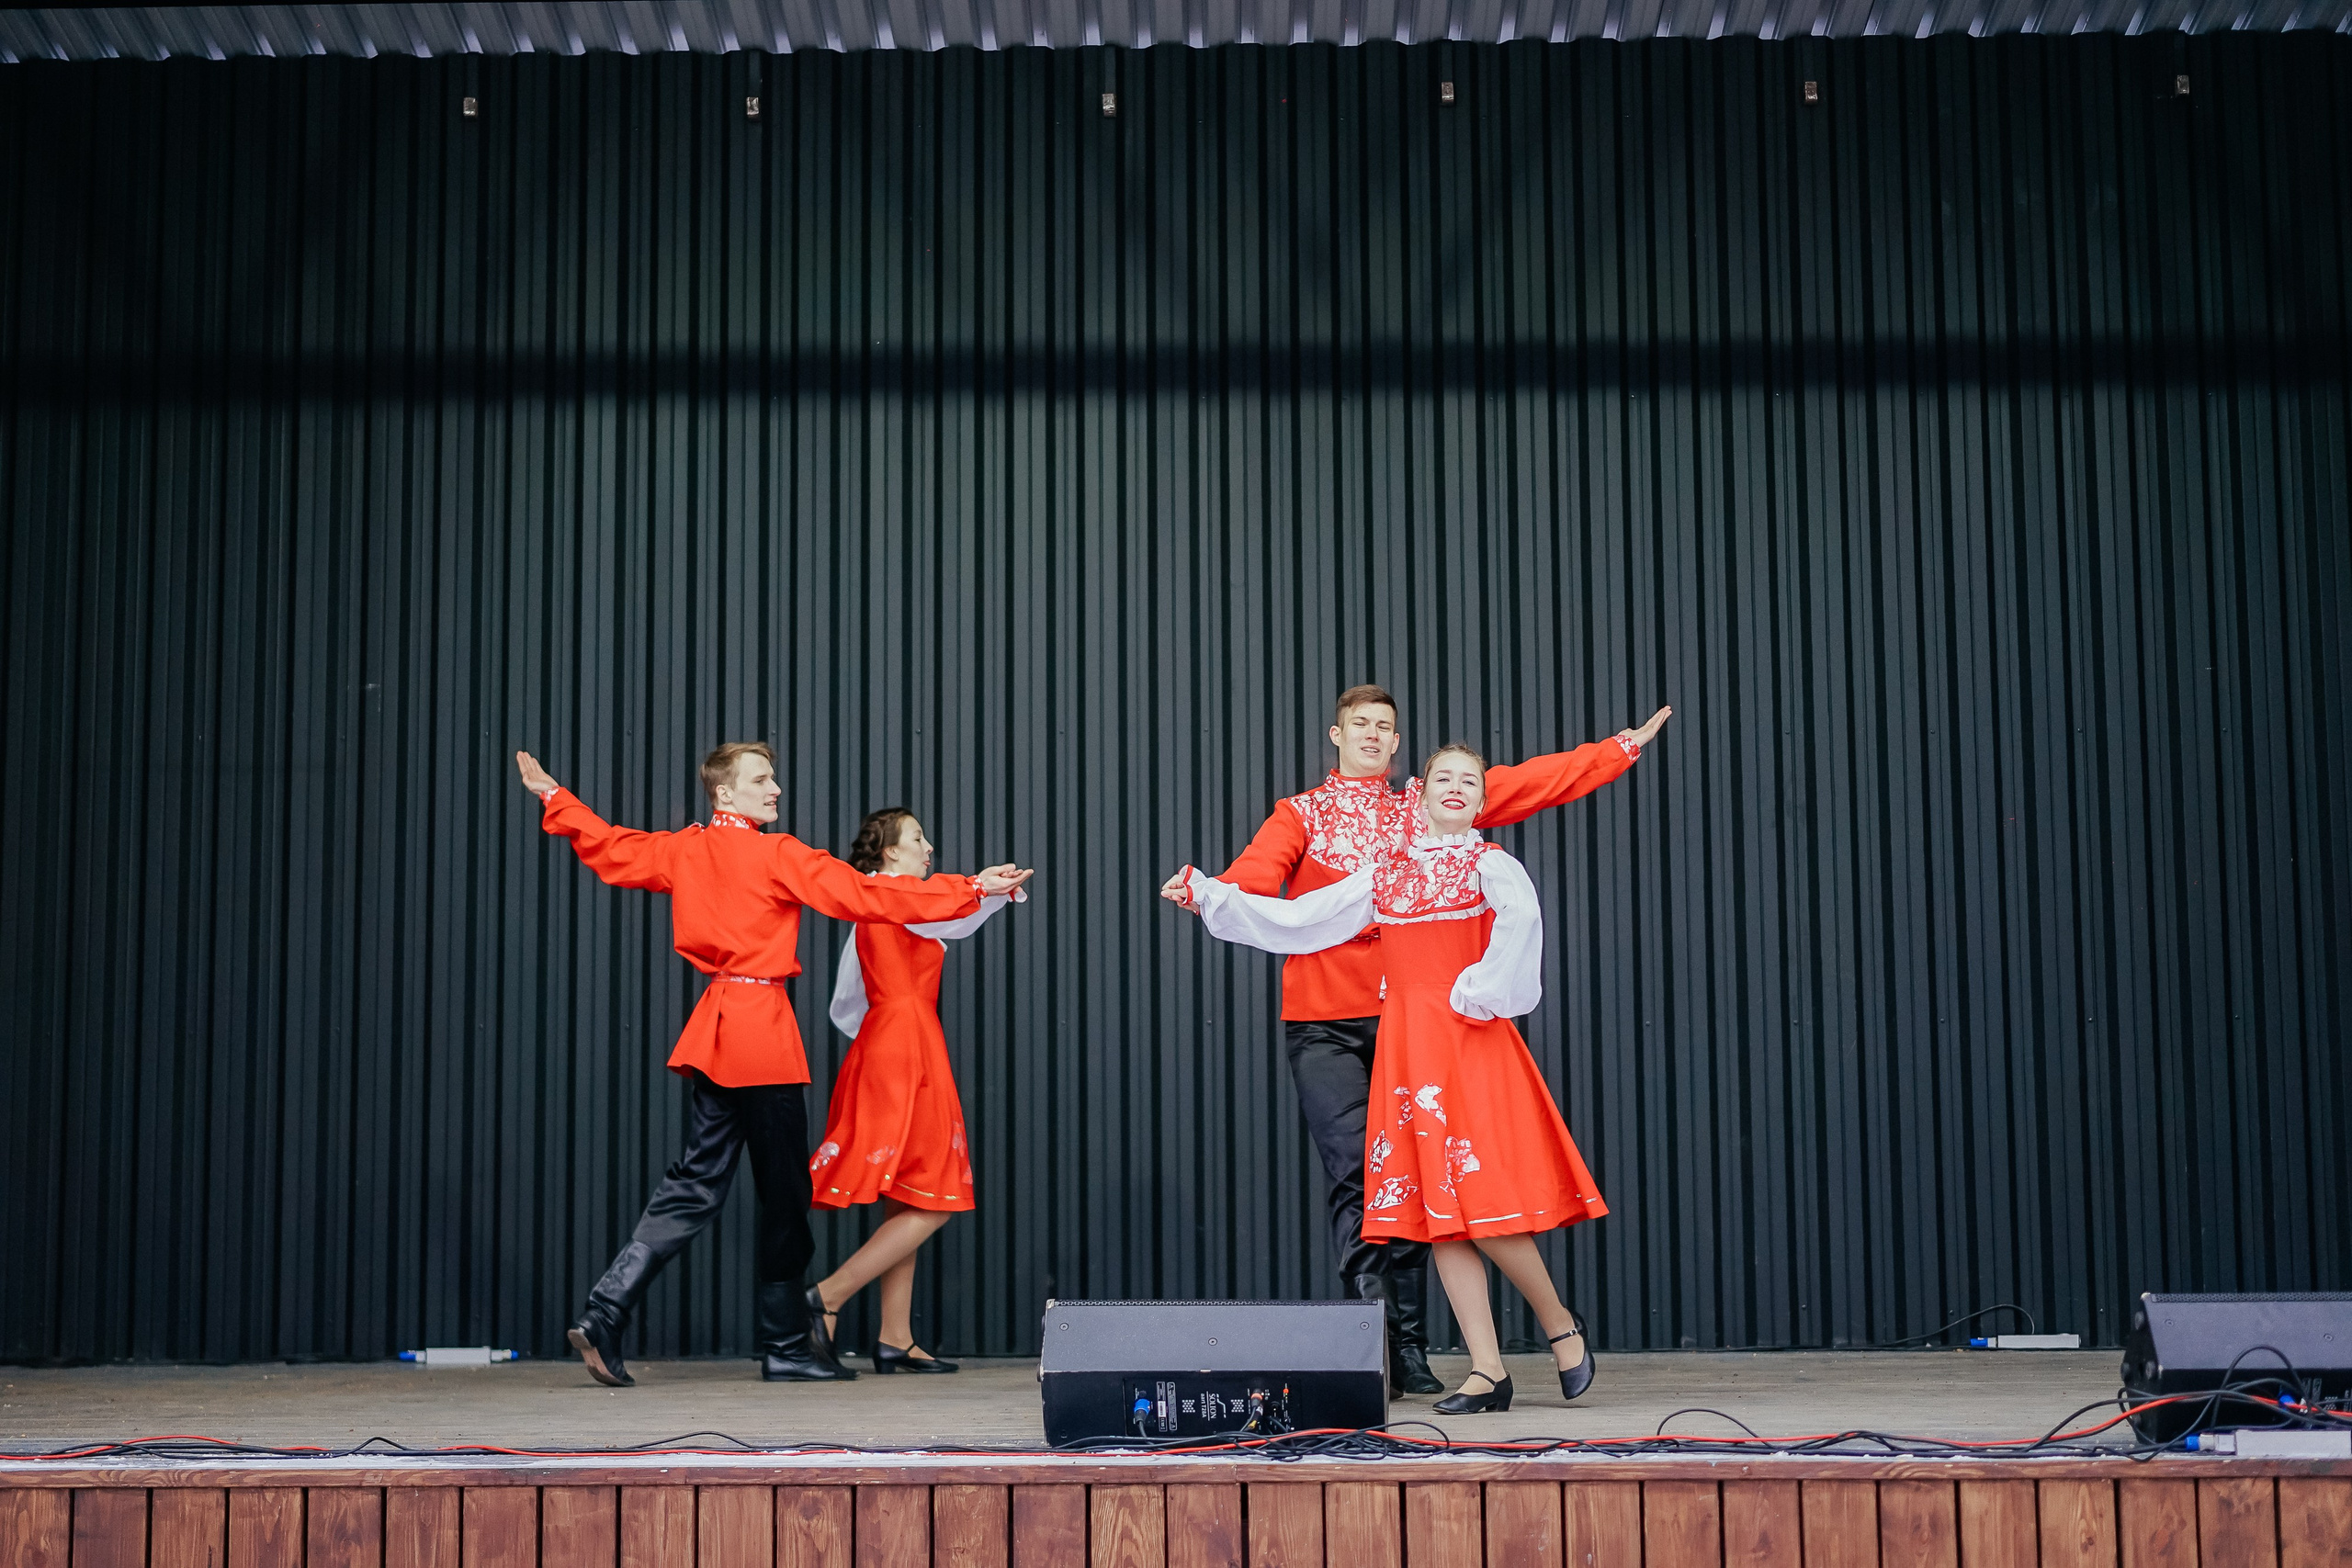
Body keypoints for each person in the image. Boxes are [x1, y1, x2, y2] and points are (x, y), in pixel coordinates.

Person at [1160, 684, 1661, 1395]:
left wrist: (1618, 749)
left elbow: (1528, 782)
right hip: (1327, 1017)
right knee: (1361, 1180)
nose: (1372, 735)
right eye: (1359, 724)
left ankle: (1419, 1347)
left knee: (1437, 1180)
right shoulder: (1300, 812)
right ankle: (1385, 1348)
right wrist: (1211, 892)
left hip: (1427, 1022)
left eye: (1385, 727)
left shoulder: (1429, 808)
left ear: (1399, 747)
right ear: (1336, 735)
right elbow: (1273, 892)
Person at [514, 744, 1033, 1387]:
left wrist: (555, 799)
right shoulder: (776, 853)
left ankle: (606, 1307)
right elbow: (866, 895)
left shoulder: (683, 849)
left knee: (695, 1181)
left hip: (714, 1029)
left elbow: (613, 849)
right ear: (724, 794)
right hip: (762, 1033)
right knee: (784, 1194)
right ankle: (787, 1342)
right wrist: (973, 887)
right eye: (761, 778)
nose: (777, 787)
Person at [807, 807, 1024, 1373]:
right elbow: (953, 919)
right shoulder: (904, 899)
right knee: (934, 1193)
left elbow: (845, 1002)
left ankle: (894, 1337)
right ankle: (827, 1296)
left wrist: (881, 1035)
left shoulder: (870, 908)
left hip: (881, 1042)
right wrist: (990, 892)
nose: (928, 847)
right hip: (910, 1042)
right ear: (889, 853)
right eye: (918, 839)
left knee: (909, 1192)